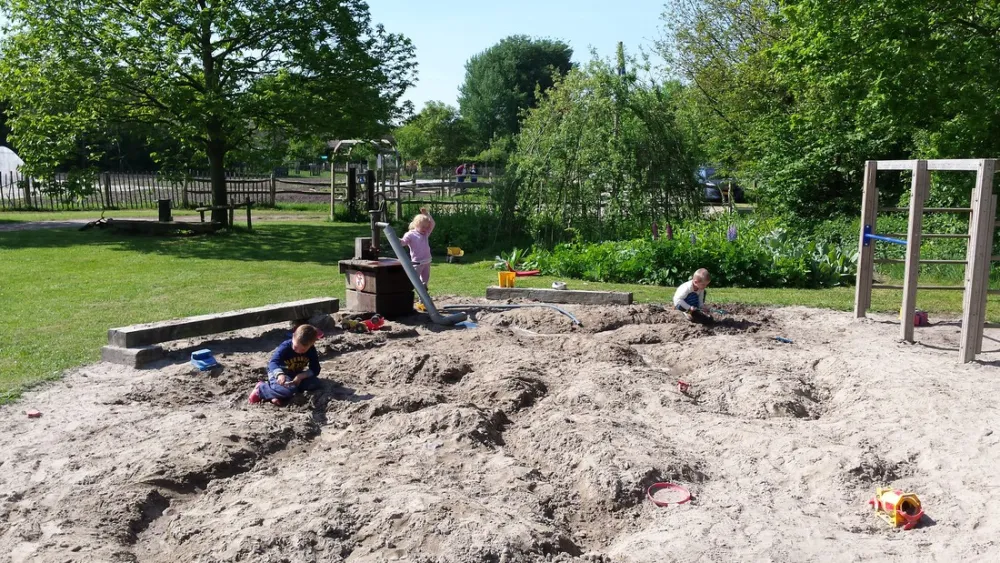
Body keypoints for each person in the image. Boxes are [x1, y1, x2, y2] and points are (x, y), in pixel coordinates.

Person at [249, 324, 322, 406]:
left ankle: (275, 395)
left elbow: (316, 368)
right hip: (279, 373)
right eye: (295, 347)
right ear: (293, 336)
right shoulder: (285, 346)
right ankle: (262, 389)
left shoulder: (311, 350)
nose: (298, 351)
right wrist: (280, 374)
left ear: (311, 344)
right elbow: (273, 362)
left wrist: (301, 376)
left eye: (303, 350)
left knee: (315, 383)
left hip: (295, 374)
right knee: (289, 391)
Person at [401, 208, 435, 287]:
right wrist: (397, 240)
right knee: (415, 280)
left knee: (425, 281)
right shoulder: (410, 235)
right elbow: (403, 243)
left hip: (427, 261)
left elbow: (432, 224)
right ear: (416, 225)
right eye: (423, 227)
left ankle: (422, 297)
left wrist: (426, 214)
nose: (425, 229)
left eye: (427, 227)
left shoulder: (425, 234)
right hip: (417, 262)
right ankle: (409, 292)